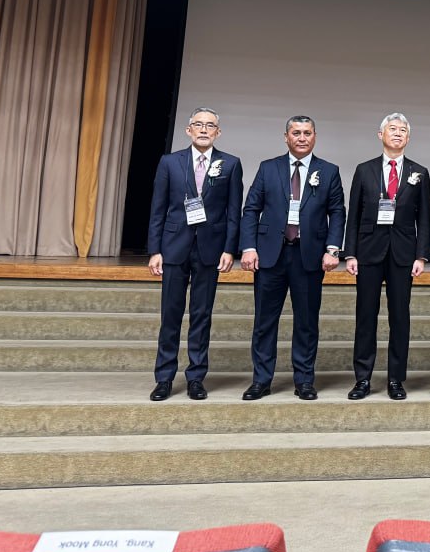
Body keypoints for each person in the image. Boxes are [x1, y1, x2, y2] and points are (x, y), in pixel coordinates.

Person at [239, 115, 345, 401]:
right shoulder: (268, 168)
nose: (302, 138)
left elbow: (337, 212)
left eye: (307, 133)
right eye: (296, 133)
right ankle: (261, 380)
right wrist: (248, 247)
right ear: (286, 137)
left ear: (315, 137)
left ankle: (304, 380)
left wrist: (333, 249)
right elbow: (251, 209)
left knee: (307, 322)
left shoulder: (329, 171)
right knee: (264, 321)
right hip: (270, 256)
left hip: (308, 256)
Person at [146, 107, 243, 401]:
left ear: (218, 132)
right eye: (198, 124)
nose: (203, 129)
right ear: (188, 130)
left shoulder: (230, 164)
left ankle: (196, 377)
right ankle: (164, 378)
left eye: (210, 125)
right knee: (170, 314)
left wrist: (229, 248)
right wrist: (155, 250)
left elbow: (233, 212)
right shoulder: (169, 162)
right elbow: (158, 209)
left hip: (210, 250)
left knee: (202, 315)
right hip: (174, 247)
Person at [343, 112, 430, 401]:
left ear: (408, 137)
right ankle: (362, 379)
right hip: (368, 251)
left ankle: (395, 379)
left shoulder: (419, 172)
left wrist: (421, 256)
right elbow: (353, 215)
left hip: (403, 253)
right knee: (365, 315)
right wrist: (350, 253)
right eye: (392, 129)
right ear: (380, 135)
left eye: (403, 130)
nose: (397, 133)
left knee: (400, 317)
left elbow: (424, 218)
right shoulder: (364, 169)